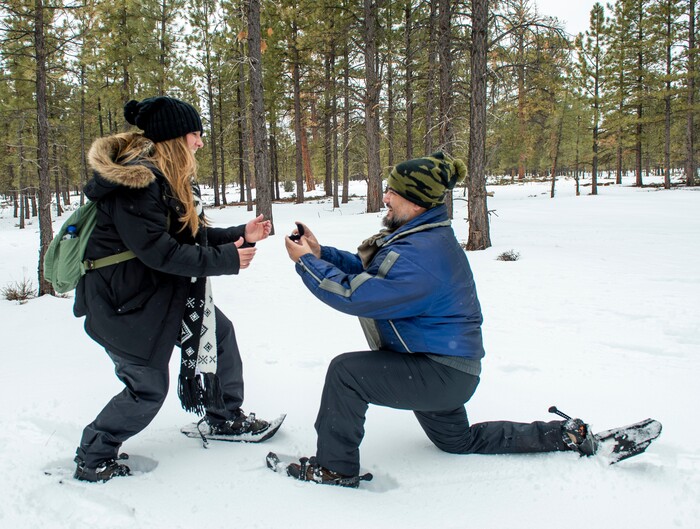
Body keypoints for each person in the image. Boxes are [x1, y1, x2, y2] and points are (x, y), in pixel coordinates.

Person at [282, 152, 596, 488]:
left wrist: (306, 264)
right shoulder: (422, 236)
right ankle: (564, 435)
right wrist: (320, 254)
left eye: (393, 192)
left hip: (439, 371)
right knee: (457, 441)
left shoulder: (422, 254)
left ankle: (334, 470)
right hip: (446, 369)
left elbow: (358, 296)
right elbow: (372, 272)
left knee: (346, 374)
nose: (385, 197)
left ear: (415, 202)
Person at [73, 96, 277, 482]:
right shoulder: (136, 183)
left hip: (154, 292)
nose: (200, 142)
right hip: (124, 305)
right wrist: (227, 260)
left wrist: (239, 235)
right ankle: (93, 455)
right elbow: (158, 252)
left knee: (216, 333)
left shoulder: (162, 180)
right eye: (195, 134)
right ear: (174, 137)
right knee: (146, 388)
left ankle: (223, 416)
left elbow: (188, 235)